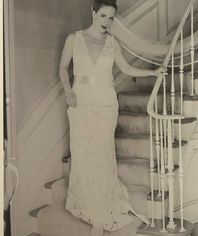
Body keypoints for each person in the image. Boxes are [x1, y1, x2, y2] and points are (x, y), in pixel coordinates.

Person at [59, 0, 164, 235]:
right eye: (103, 15)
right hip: (82, 103)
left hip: (106, 104)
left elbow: (126, 69)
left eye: (111, 18)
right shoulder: (73, 39)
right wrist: (67, 91)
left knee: (103, 154)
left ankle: (102, 210)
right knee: (84, 153)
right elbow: (62, 68)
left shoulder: (112, 43)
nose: (107, 22)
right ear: (93, 12)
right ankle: (87, 203)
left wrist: (151, 71)